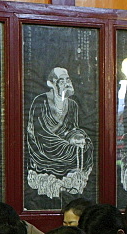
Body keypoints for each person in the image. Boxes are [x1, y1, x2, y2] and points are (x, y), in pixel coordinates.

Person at [26, 67, 94, 200]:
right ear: (52, 83)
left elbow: (72, 128)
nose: (66, 83)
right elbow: (39, 131)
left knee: (86, 145)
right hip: (45, 143)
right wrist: (65, 142)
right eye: (61, 80)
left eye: (67, 79)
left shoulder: (72, 105)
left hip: (64, 142)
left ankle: (74, 181)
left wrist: (77, 136)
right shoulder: (41, 101)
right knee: (69, 149)